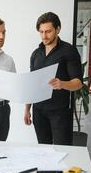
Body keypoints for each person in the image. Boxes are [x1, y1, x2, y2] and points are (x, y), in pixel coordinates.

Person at [24, 12, 83, 145]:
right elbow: (31, 84)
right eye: (41, 32)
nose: (44, 36)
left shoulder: (69, 51)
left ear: (58, 29)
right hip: (39, 111)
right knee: (44, 150)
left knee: (63, 150)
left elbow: (78, 83)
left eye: (48, 31)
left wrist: (62, 84)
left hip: (60, 112)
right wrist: (27, 109)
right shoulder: (35, 54)